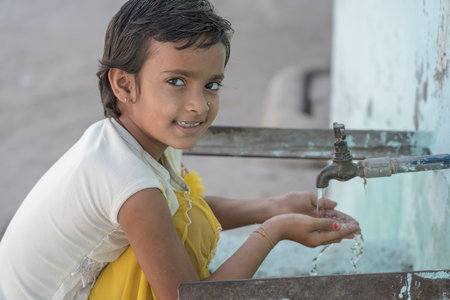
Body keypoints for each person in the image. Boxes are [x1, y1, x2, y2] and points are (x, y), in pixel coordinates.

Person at [0, 0, 360, 299]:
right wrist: (273, 231)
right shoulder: (127, 181)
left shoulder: (132, 139)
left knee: (183, 209)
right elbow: (189, 298)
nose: (199, 106)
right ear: (124, 84)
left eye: (212, 84)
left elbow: (175, 210)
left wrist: (270, 207)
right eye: (176, 81)